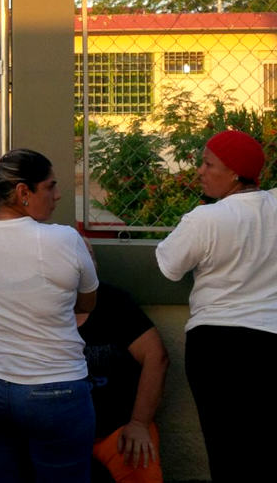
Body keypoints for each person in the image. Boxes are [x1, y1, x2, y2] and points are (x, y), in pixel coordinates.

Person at [0, 149, 98, 483]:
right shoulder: (64, 239)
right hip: (54, 392)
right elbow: (87, 302)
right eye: (50, 186)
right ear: (23, 192)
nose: (58, 195)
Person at [155, 130, 277, 483]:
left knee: (225, 447)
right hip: (270, 338)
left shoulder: (205, 219)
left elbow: (169, 266)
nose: (199, 171)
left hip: (217, 346)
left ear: (235, 173)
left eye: (208, 164)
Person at [78, 282, 168, 483]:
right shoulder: (41, 305)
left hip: (120, 427)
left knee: (141, 466)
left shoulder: (113, 301)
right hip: (62, 429)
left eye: (90, 255)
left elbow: (155, 355)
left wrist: (139, 423)